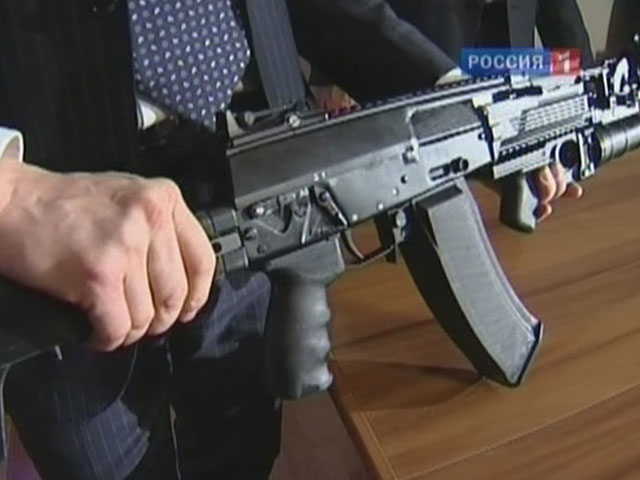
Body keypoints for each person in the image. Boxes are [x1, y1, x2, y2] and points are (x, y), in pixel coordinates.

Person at [0, 0, 583, 478]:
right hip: (59, 230)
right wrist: (13, 195)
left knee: (242, 444)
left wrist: (463, 105)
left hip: (267, 165)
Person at [289, 0, 593, 221]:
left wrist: (585, 95)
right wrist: (334, 74)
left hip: (506, 67)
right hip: (416, 71)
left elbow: (565, 33)